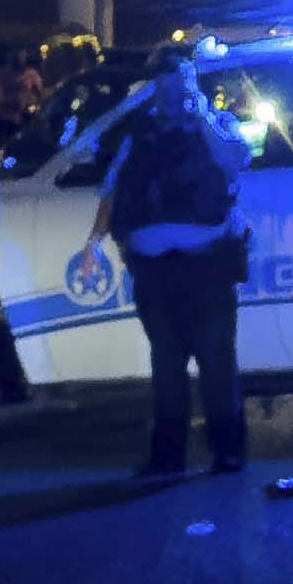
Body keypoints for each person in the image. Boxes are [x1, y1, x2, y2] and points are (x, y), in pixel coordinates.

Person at [83, 57, 252, 479]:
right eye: (165, 89)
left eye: (180, 88)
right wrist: (93, 244)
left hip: (207, 269)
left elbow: (233, 161)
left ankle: (227, 451)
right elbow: (113, 191)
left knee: (216, 362)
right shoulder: (139, 135)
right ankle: (167, 455)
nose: (173, 98)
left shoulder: (218, 126)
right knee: (166, 366)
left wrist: (200, 115)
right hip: (156, 273)